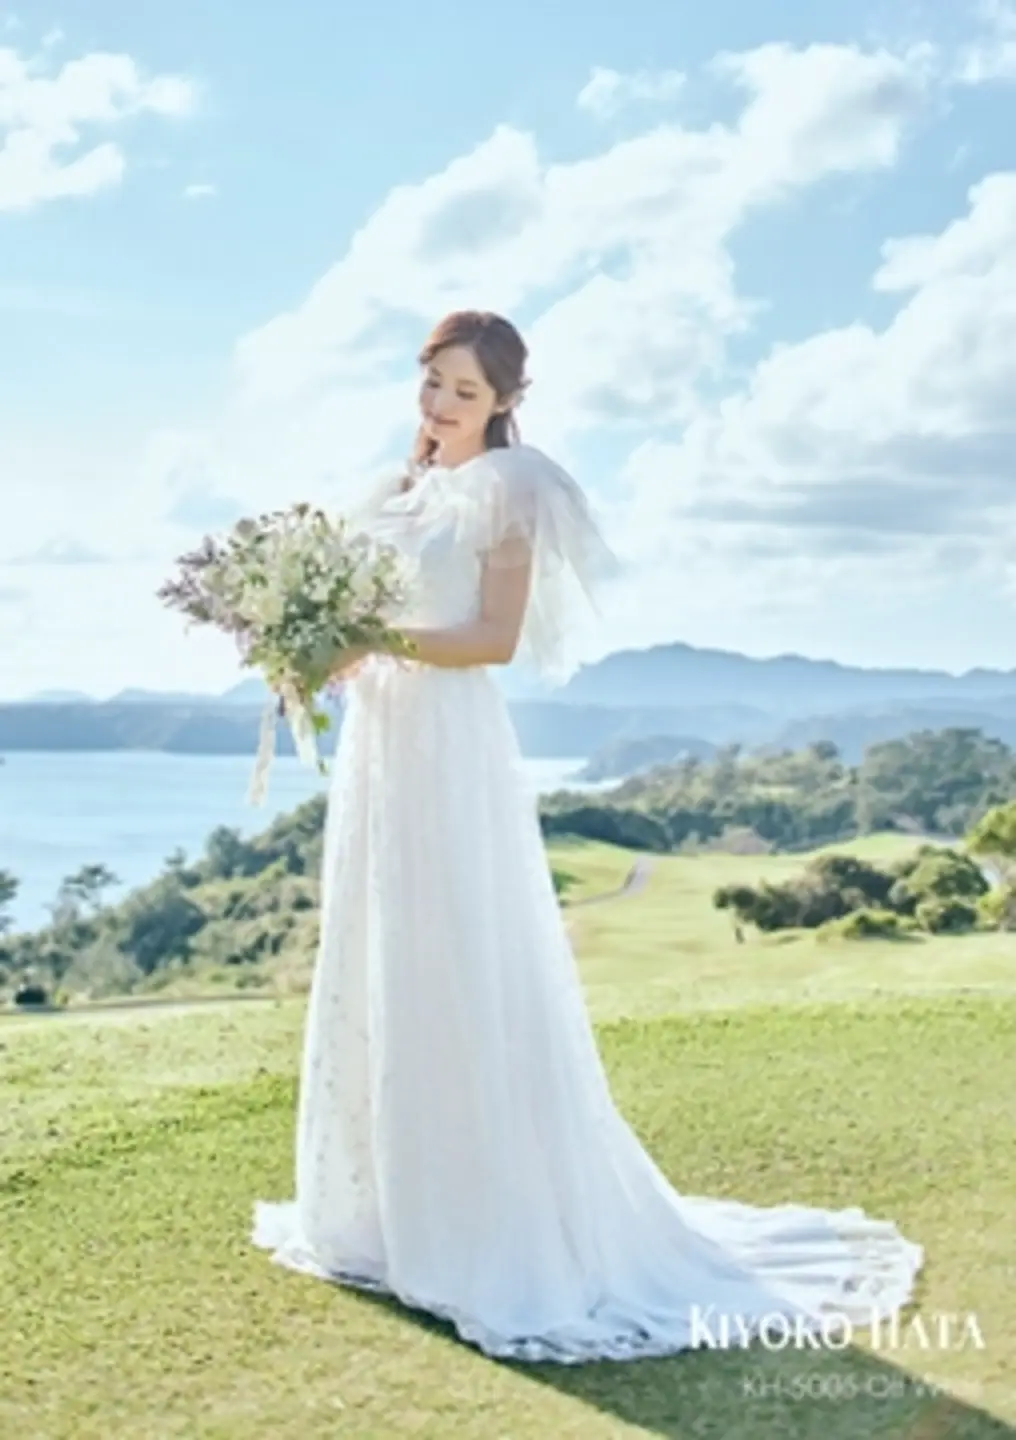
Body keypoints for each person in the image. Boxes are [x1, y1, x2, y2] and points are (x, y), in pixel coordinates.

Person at [252, 310, 923, 1363]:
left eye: (464, 392)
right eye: (431, 383)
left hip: (447, 742)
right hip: (381, 742)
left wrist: (370, 635)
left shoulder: (511, 489)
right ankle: (383, 1214)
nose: (440, 405)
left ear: (505, 402)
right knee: (387, 950)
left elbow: (491, 638)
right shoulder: (392, 492)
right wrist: (313, 653)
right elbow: (359, 628)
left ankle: (482, 1223)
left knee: (460, 952)